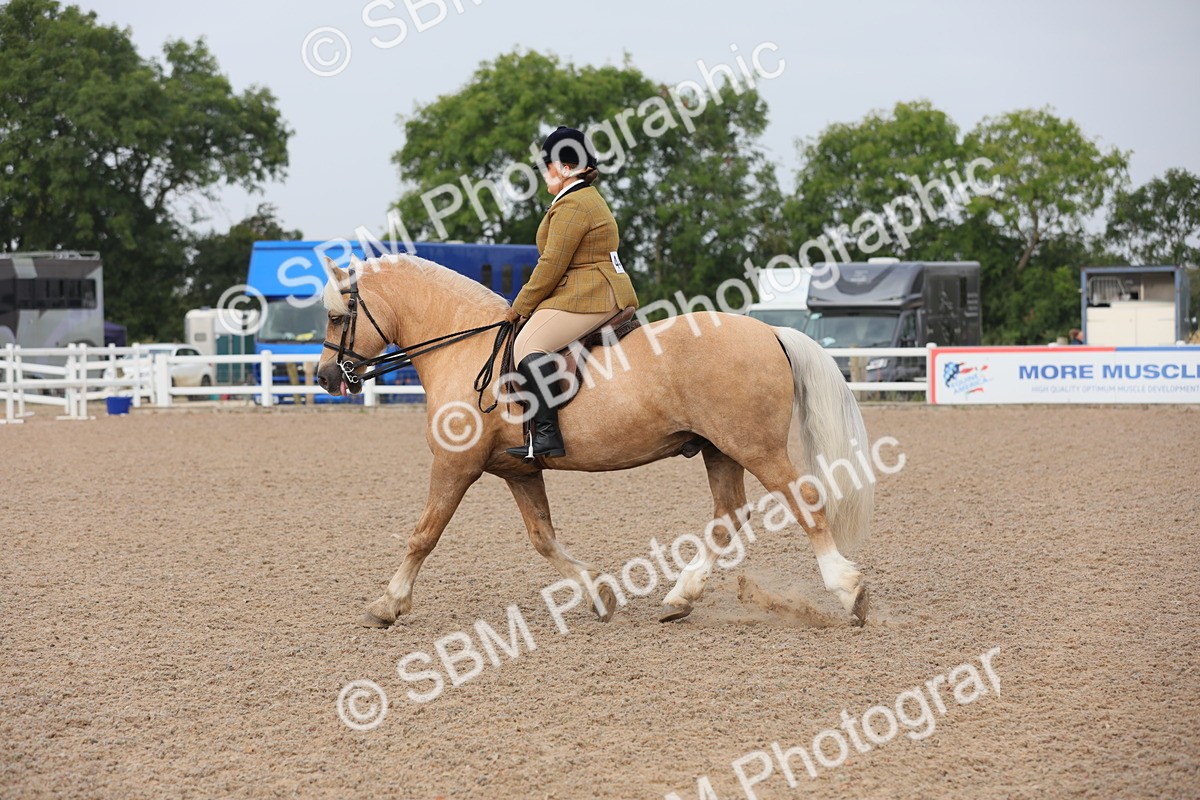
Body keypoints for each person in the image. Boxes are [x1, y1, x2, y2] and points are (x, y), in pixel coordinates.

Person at [502, 126, 639, 460]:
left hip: (590, 293)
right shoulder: (582, 199)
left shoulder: (574, 204)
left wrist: (519, 308)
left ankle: (547, 434)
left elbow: (551, 265)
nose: (544, 173)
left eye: (547, 166)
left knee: (527, 344)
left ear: (565, 168)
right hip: (594, 289)